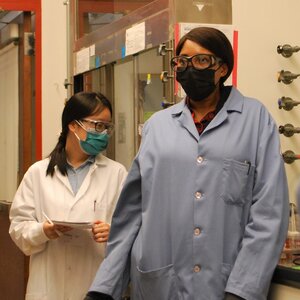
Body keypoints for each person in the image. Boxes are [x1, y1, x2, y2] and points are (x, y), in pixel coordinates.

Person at [85, 27, 289, 300]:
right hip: (159, 283)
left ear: (222, 69)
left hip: (225, 285)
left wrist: (243, 290)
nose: (189, 68)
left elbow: (269, 213)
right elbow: (131, 214)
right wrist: (104, 287)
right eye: (182, 61)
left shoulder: (255, 120)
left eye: (201, 60)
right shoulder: (158, 125)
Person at [9, 92, 127, 300]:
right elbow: (18, 228)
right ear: (73, 125)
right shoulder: (38, 173)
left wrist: (113, 232)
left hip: (96, 286)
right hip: (48, 288)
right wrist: (43, 231)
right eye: (97, 125)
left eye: (107, 127)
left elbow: (131, 229)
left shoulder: (117, 174)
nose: (103, 133)